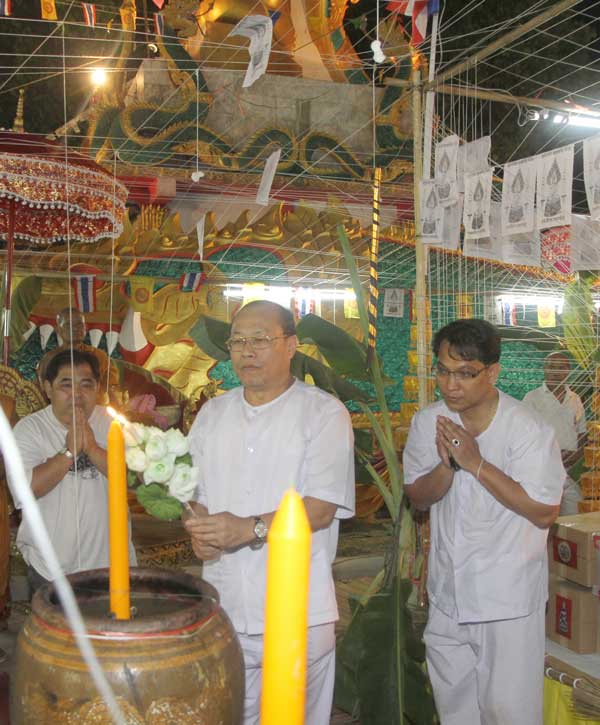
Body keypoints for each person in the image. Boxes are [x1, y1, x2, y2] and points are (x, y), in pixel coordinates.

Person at [184, 300, 355, 725]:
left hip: (297, 609)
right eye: (238, 341)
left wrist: (249, 528)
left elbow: (320, 507)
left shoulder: (323, 413)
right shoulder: (213, 413)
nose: (247, 350)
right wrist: (197, 527)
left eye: (261, 339)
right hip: (225, 603)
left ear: (291, 345)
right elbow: (190, 492)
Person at [402, 319, 565, 725]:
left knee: (507, 711)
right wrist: (447, 467)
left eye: (465, 374)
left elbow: (544, 510)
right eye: (443, 370)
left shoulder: (526, 428)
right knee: (454, 707)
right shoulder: (429, 422)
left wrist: (475, 463)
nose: (451, 384)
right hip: (448, 592)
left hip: (506, 597)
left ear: (492, 372)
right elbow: (417, 497)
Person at [8, 349, 136, 592]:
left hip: (112, 565)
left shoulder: (113, 424)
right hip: (50, 569)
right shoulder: (29, 430)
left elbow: (136, 480)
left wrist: (92, 448)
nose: (76, 394)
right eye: (66, 385)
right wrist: (69, 452)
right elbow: (27, 490)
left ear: (97, 387)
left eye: (86, 385)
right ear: (47, 388)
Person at [523, 351, 586, 515]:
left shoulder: (575, 398)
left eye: (561, 367)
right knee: (544, 518)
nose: (556, 371)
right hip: (543, 468)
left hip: (569, 469)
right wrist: (551, 456)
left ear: (568, 370)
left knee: (574, 515)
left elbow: (582, 432)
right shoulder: (532, 398)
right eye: (551, 366)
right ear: (544, 369)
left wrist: (575, 456)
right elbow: (523, 435)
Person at [38, 307, 119, 405]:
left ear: (85, 328)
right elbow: (42, 393)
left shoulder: (99, 356)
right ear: (58, 329)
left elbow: (111, 389)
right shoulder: (49, 359)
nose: (75, 329)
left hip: (94, 413)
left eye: (79, 324)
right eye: (69, 325)